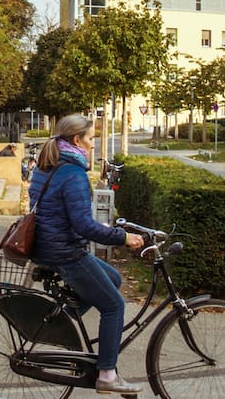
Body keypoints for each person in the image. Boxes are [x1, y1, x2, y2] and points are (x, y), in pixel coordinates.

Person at [26, 113, 144, 395]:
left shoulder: (47, 166)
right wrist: (123, 237)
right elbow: (83, 225)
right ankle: (106, 374)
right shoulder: (73, 173)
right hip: (65, 252)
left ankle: (61, 325)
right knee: (114, 305)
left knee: (113, 279)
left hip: (47, 246)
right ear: (77, 140)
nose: (93, 145)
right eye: (91, 139)